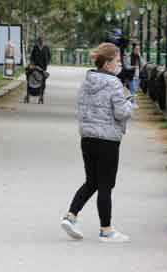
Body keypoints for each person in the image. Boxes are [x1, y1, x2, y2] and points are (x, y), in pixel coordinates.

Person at [61, 42, 133, 243]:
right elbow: (121, 113)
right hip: (108, 140)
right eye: (118, 61)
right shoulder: (114, 84)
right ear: (108, 63)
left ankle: (71, 216)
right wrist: (130, 104)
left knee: (92, 181)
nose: (120, 64)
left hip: (87, 138)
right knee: (105, 185)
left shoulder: (87, 81)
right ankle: (106, 230)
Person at [27, 37, 51, 103]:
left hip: (43, 67)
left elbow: (49, 56)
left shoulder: (46, 48)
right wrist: (31, 64)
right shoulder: (35, 47)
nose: (41, 43)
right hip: (35, 66)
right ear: (38, 42)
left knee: (43, 81)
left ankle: (41, 95)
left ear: (44, 41)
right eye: (40, 41)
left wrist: (47, 62)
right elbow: (32, 56)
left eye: (42, 41)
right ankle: (31, 92)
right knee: (31, 77)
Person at [129, 43, 144, 108]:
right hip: (131, 75)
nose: (138, 50)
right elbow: (127, 66)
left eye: (139, 49)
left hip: (138, 75)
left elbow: (143, 65)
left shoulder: (138, 57)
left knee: (135, 90)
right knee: (133, 89)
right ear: (133, 49)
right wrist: (134, 67)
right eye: (136, 49)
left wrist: (140, 56)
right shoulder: (130, 56)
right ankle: (133, 103)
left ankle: (132, 102)